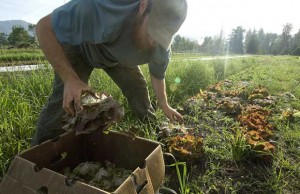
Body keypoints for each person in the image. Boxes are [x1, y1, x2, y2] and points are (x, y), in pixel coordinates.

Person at [31, 0, 188, 146]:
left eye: (161, 38)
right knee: (64, 102)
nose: (153, 42)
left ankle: (151, 130)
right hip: (79, 46)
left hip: (116, 56)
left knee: (138, 86)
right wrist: (70, 79)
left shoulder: (160, 47)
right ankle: (37, 158)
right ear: (143, 6)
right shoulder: (100, 7)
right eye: (152, 32)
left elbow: (157, 74)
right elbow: (44, 27)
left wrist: (164, 103)